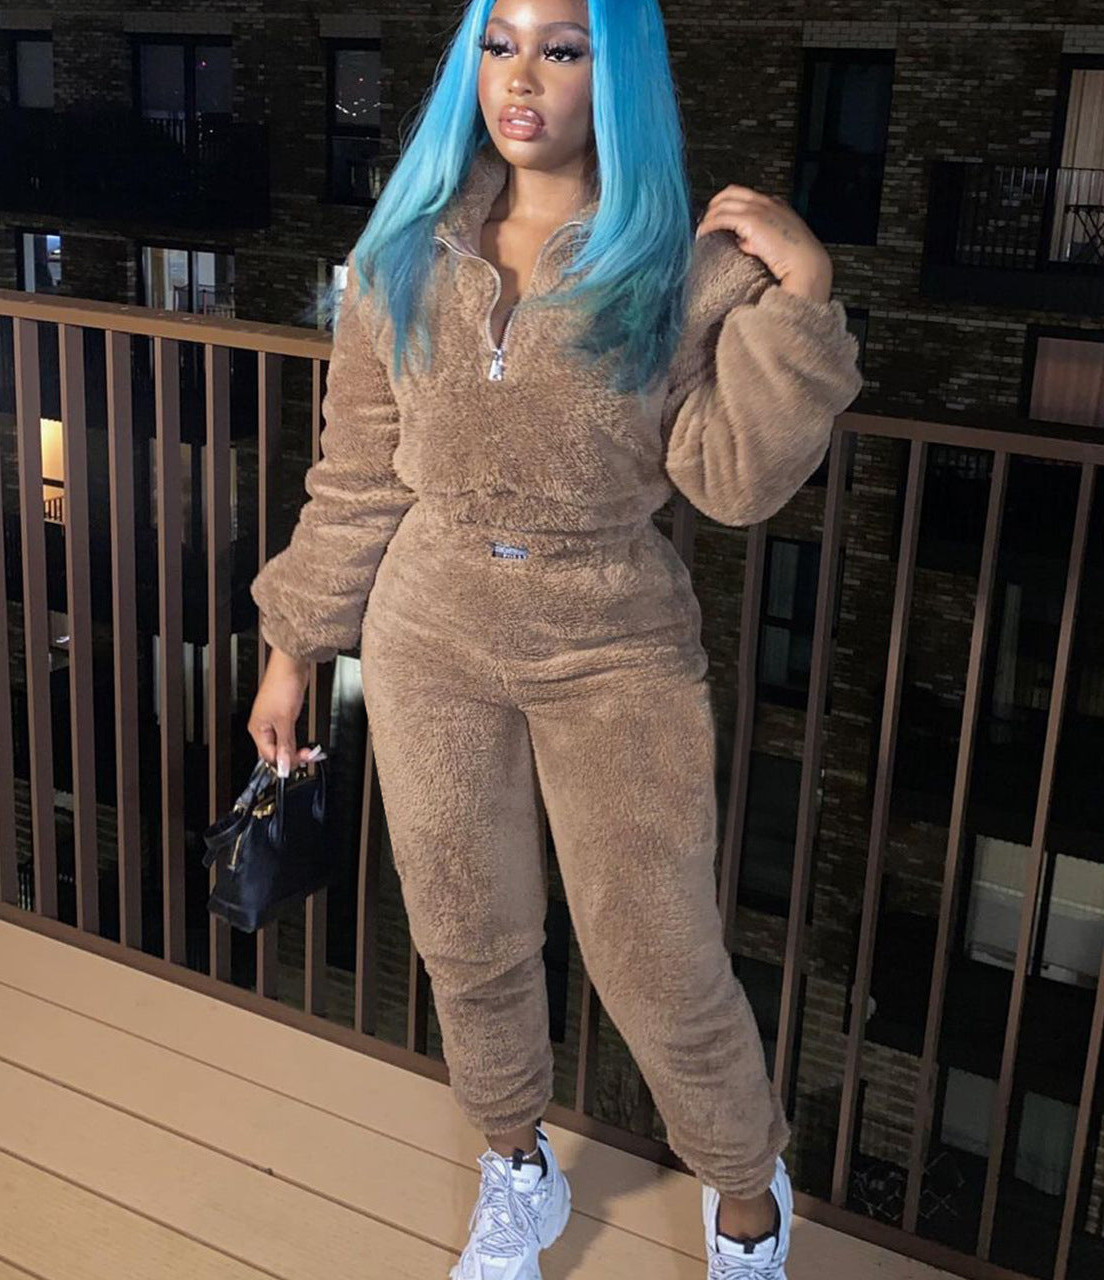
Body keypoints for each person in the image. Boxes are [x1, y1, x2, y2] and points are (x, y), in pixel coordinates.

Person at [247, 0, 862, 1275]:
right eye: (499, 42)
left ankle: (745, 1205)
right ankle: (516, 1168)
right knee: (465, 928)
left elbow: (733, 482)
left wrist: (802, 295)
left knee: (656, 955)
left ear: (614, 69)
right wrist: (294, 645)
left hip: (612, 640)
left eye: (561, 48)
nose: (520, 77)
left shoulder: (687, 264)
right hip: (431, 630)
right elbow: (357, 472)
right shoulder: (403, 251)